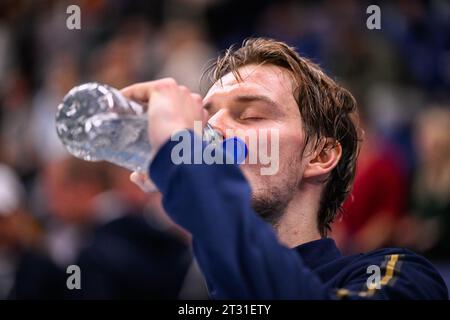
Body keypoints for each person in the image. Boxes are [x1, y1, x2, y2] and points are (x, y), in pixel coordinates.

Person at [123, 38, 447, 299]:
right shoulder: (188, 284)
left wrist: (194, 183)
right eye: (206, 120)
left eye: (250, 115)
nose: (213, 130)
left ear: (320, 156)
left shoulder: (401, 275)